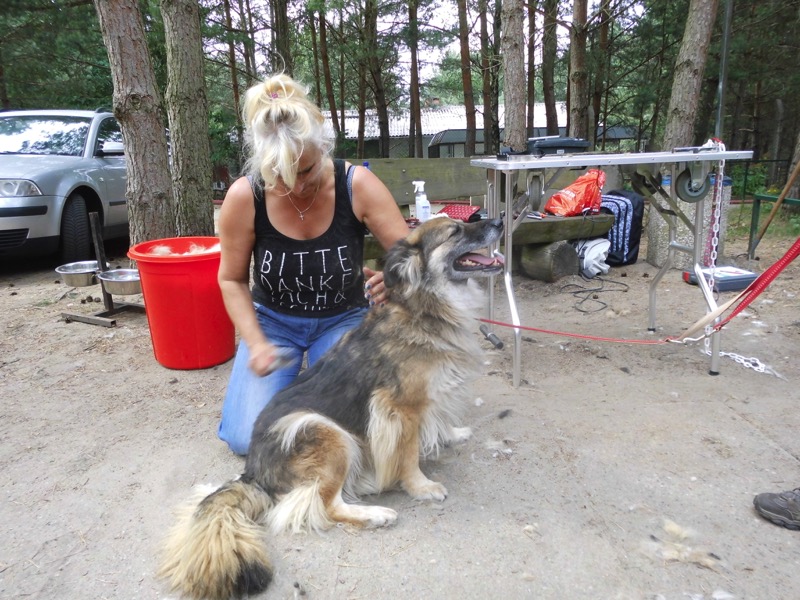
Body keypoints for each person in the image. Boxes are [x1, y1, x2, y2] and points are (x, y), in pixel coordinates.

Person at [216, 74, 409, 455]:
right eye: (280, 175)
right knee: (247, 441)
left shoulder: (356, 184)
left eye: (305, 170)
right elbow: (231, 280)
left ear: (323, 146)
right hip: (274, 324)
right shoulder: (244, 196)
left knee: (356, 428)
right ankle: (294, 386)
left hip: (344, 318)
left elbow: (410, 254)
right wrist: (256, 343)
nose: (297, 186)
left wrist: (394, 278)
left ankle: (307, 389)